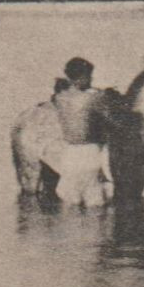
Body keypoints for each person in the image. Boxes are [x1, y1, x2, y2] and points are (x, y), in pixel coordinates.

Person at [51, 57, 111, 206]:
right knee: (95, 205)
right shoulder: (95, 98)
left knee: (70, 204)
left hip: (69, 155)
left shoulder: (59, 98)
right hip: (90, 154)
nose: (91, 80)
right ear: (82, 77)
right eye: (89, 76)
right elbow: (109, 119)